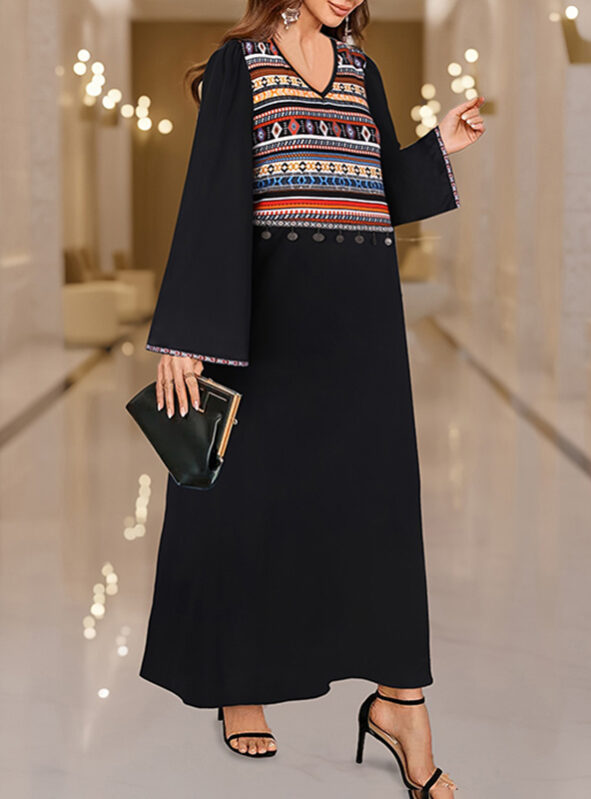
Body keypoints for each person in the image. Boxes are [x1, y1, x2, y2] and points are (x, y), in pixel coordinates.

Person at [138, 1, 484, 795]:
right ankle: (238, 683)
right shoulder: (240, 66)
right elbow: (210, 193)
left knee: (376, 507)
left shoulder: (363, 71)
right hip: (265, 326)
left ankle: (400, 702)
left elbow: (377, 188)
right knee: (247, 505)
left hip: (360, 331)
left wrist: (439, 147)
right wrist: (185, 332)